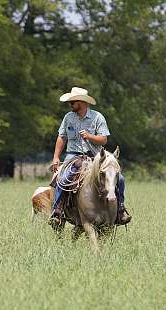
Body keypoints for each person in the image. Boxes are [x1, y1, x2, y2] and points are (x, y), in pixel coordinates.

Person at [49, 87, 131, 226]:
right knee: (62, 177)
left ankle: (120, 210)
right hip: (73, 155)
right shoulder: (68, 117)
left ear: (82, 102)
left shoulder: (98, 117)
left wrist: (90, 136)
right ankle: (57, 211)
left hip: (95, 157)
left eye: (73, 101)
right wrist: (56, 157)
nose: (71, 104)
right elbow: (61, 137)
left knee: (120, 179)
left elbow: (104, 140)